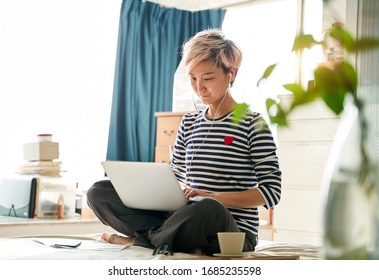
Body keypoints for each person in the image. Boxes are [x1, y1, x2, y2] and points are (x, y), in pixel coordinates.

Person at [87, 28, 282, 256]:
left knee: (209, 209)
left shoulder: (252, 124)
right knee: (99, 192)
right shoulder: (189, 122)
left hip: (230, 231)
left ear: (231, 73)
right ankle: (161, 239)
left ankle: (142, 241)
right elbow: (175, 176)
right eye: (193, 78)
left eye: (208, 78)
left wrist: (215, 197)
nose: (199, 87)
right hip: (183, 217)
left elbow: (271, 192)